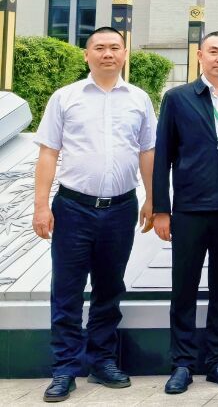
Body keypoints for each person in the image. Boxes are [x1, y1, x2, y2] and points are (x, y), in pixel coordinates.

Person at [32, 26, 157, 402]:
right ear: (86, 55)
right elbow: (48, 153)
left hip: (120, 208)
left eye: (115, 47)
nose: (107, 53)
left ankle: (102, 361)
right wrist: (41, 205)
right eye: (99, 47)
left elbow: (147, 152)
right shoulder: (65, 98)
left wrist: (152, 199)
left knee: (109, 288)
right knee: (67, 291)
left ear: (124, 54)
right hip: (73, 208)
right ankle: (64, 368)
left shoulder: (139, 99)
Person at [153, 31, 218, 394]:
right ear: (200, 55)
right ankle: (182, 363)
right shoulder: (178, 99)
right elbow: (162, 156)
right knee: (183, 289)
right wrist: (161, 209)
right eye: (213, 51)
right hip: (189, 210)